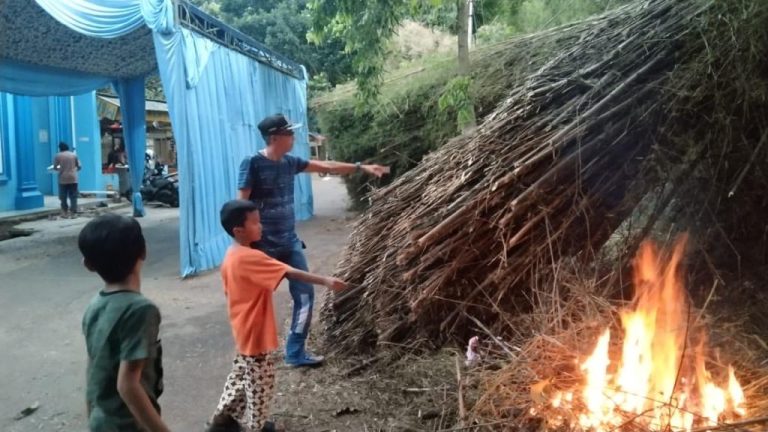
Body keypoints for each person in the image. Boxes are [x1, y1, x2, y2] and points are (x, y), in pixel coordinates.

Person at [238, 113, 388, 367]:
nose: (293, 137)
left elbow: (326, 167)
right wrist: (243, 245)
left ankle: (295, 352)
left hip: (289, 243)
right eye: (289, 133)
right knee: (256, 301)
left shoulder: (290, 162)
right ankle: (252, 353)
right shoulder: (252, 163)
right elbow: (241, 203)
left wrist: (361, 168)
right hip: (262, 247)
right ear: (275, 137)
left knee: (305, 296)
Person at [207, 199, 347, 432]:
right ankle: (257, 426)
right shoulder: (250, 257)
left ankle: (221, 422)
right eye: (255, 223)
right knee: (261, 384)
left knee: (241, 376)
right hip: (255, 332)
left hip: (241, 328)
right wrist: (326, 280)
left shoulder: (232, 254)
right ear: (238, 230)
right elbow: (289, 271)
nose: (260, 227)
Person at [78, 214, 169, 432]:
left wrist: (93, 415)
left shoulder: (95, 305)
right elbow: (128, 384)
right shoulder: (141, 310)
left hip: (102, 421)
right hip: (128, 425)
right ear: (144, 251)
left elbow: (92, 369)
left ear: (88, 265)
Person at [53, 141, 81, 218]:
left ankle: (64, 212)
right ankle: (73, 213)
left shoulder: (58, 156)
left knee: (63, 196)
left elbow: (55, 167)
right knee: (73, 196)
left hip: (63, 179)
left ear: (60, 148)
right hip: (73, 178)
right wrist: (74, 170)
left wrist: (61, 168)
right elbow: (79, 166)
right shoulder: (73, 155)